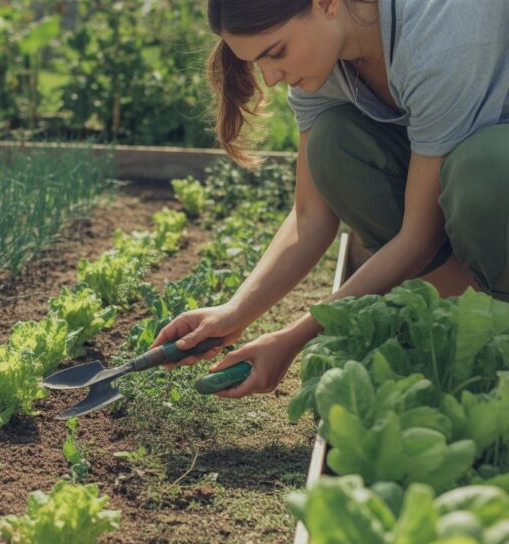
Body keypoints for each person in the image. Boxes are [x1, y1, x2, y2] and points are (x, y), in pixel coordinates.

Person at [151, 0, 509, 398]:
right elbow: (309, 217)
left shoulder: (439, 32)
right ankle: (470, 324)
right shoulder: (326, 64)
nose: (270, 78)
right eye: (257, 62)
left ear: (327, 4)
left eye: (276, 52)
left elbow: (417, 238)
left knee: (485, 171)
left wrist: (294, 337)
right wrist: (235, 312)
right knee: (334, 143)